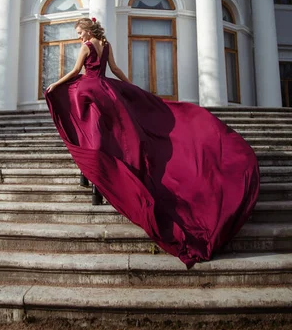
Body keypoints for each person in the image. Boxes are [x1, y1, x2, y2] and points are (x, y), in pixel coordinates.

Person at [45, 17, 260, 269]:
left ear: (88, 30)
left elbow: (74, 72)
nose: (79, 37)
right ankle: (92, 177)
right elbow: (114, 70)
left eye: (80, 32)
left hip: (90, 92)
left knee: (86, 130)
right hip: (108, 92)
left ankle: (92, 176)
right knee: (106, 136)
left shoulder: (87, 46)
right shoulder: (106, 44)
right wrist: (132, 89)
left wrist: (54, 85)